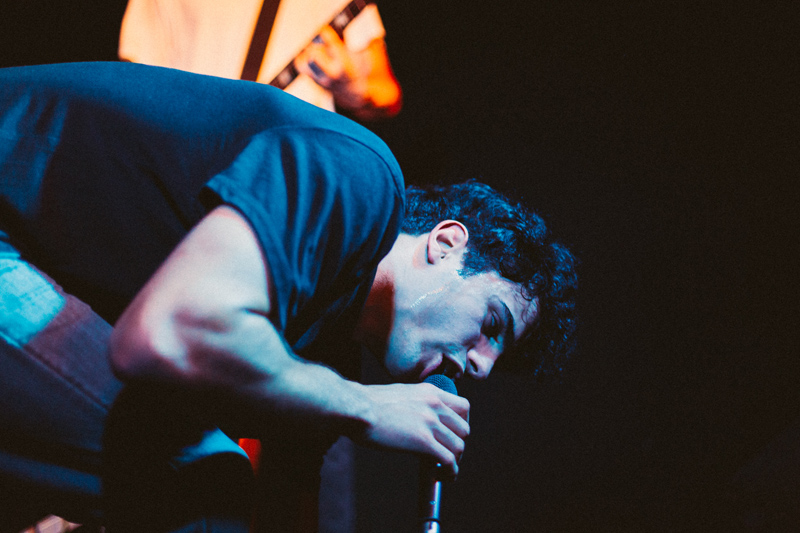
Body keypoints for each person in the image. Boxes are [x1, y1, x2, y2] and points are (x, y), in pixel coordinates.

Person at [0, 62, 577, 531]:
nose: (479, 367)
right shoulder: (358, 177)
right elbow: (167, 333)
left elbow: (282, 511)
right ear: (446, 245)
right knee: (203, 484)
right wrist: (365, 406)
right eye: (493, 324)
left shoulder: (325, 345)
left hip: (35, 268)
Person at [118, 0, 403, 120]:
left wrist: (351, 85)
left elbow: (387, 93)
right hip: (183, 165)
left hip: (285, 177)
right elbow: (133, 81)